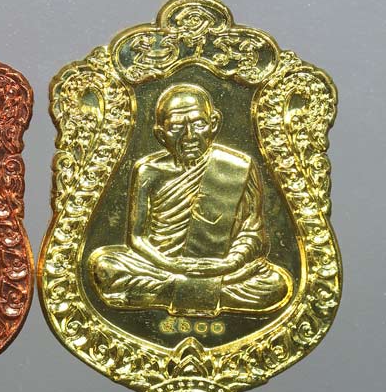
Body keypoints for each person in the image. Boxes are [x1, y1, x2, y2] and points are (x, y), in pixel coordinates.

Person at [89, 83, 292, 316]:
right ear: (160, 134)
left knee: (275, 285)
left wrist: (230, 263)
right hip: (160, 266)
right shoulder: (148, 171)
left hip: (221, 269)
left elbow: (253, 232)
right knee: (105, 267)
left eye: (198, 124)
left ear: (214, 124)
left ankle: (171, 292)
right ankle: (206, 292)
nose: (189, 136)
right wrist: (169, 264)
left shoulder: (238, 167)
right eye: (176, 127)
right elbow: (136, 238)